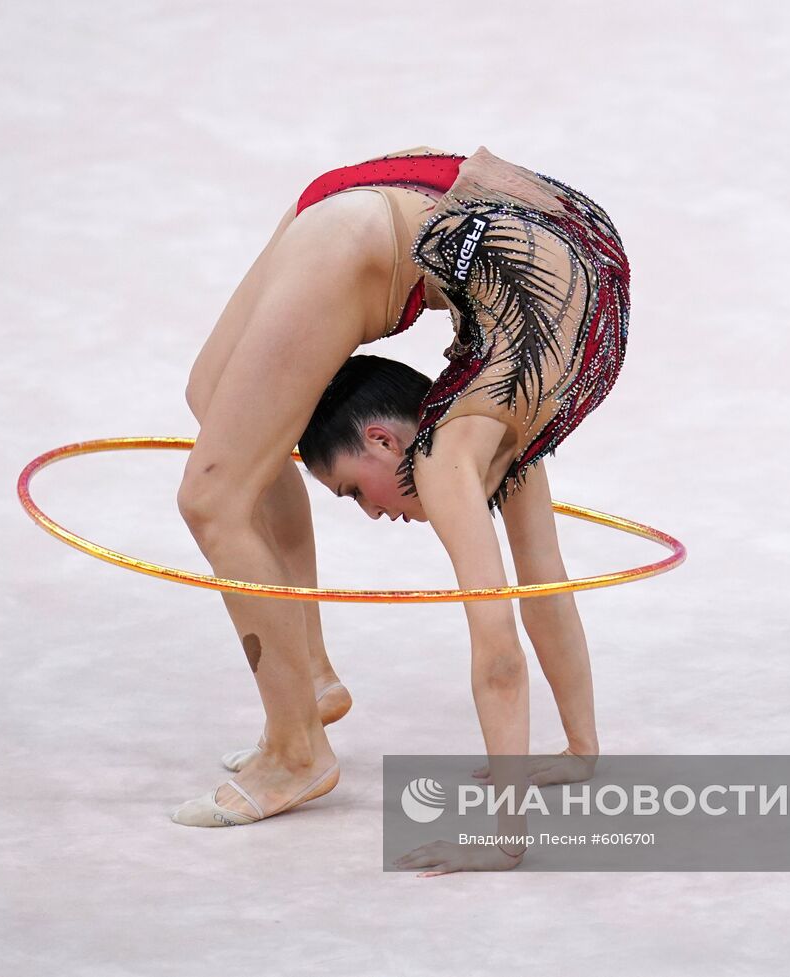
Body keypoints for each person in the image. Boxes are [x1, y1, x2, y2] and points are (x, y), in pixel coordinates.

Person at [170, 146, 632, 872]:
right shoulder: (511, 430)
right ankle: (311, 679)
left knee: (211, 494)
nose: (370, 513)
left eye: (353, 490)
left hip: (401, 210)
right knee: (218, 412)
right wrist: (580, 748)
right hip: (509, 233)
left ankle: (296, 752)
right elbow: (541, 579)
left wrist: (506, 838)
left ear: (384, 437)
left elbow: (503, 652)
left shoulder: (451, 457)